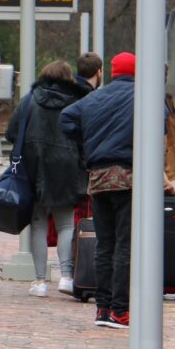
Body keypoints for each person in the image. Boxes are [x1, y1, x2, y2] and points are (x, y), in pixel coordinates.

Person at [60, 52, 140, 329]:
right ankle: (120, 310)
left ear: (111, 72)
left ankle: (102, 309)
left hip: (98, 179)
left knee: (104, 245)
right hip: (129, 178)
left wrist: (89, 141)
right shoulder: (142, 96)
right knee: (125, 246)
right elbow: (163, 120)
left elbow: (66, 120)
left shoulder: (93, 98)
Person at [6, 60, 91, 297]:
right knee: (65, 224)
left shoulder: (30, 100)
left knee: (38, 224)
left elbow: (11, 132)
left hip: (34, 167)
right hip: (67, 169)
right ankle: (66, 277)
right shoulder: (78, 102)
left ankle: (40, 281)